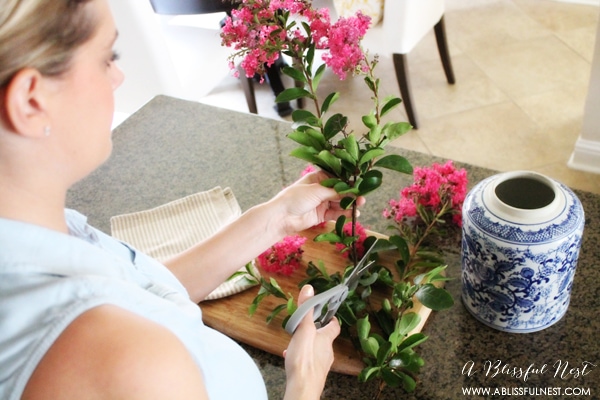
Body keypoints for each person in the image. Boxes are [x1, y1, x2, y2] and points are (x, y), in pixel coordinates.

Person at [0, 0, 364, 399]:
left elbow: (146, 294)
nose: (119, 76)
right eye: (107, 58)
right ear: (31, 102)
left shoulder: (35, 233)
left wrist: (276, 218)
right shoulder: (126, 364)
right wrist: (305, 382)